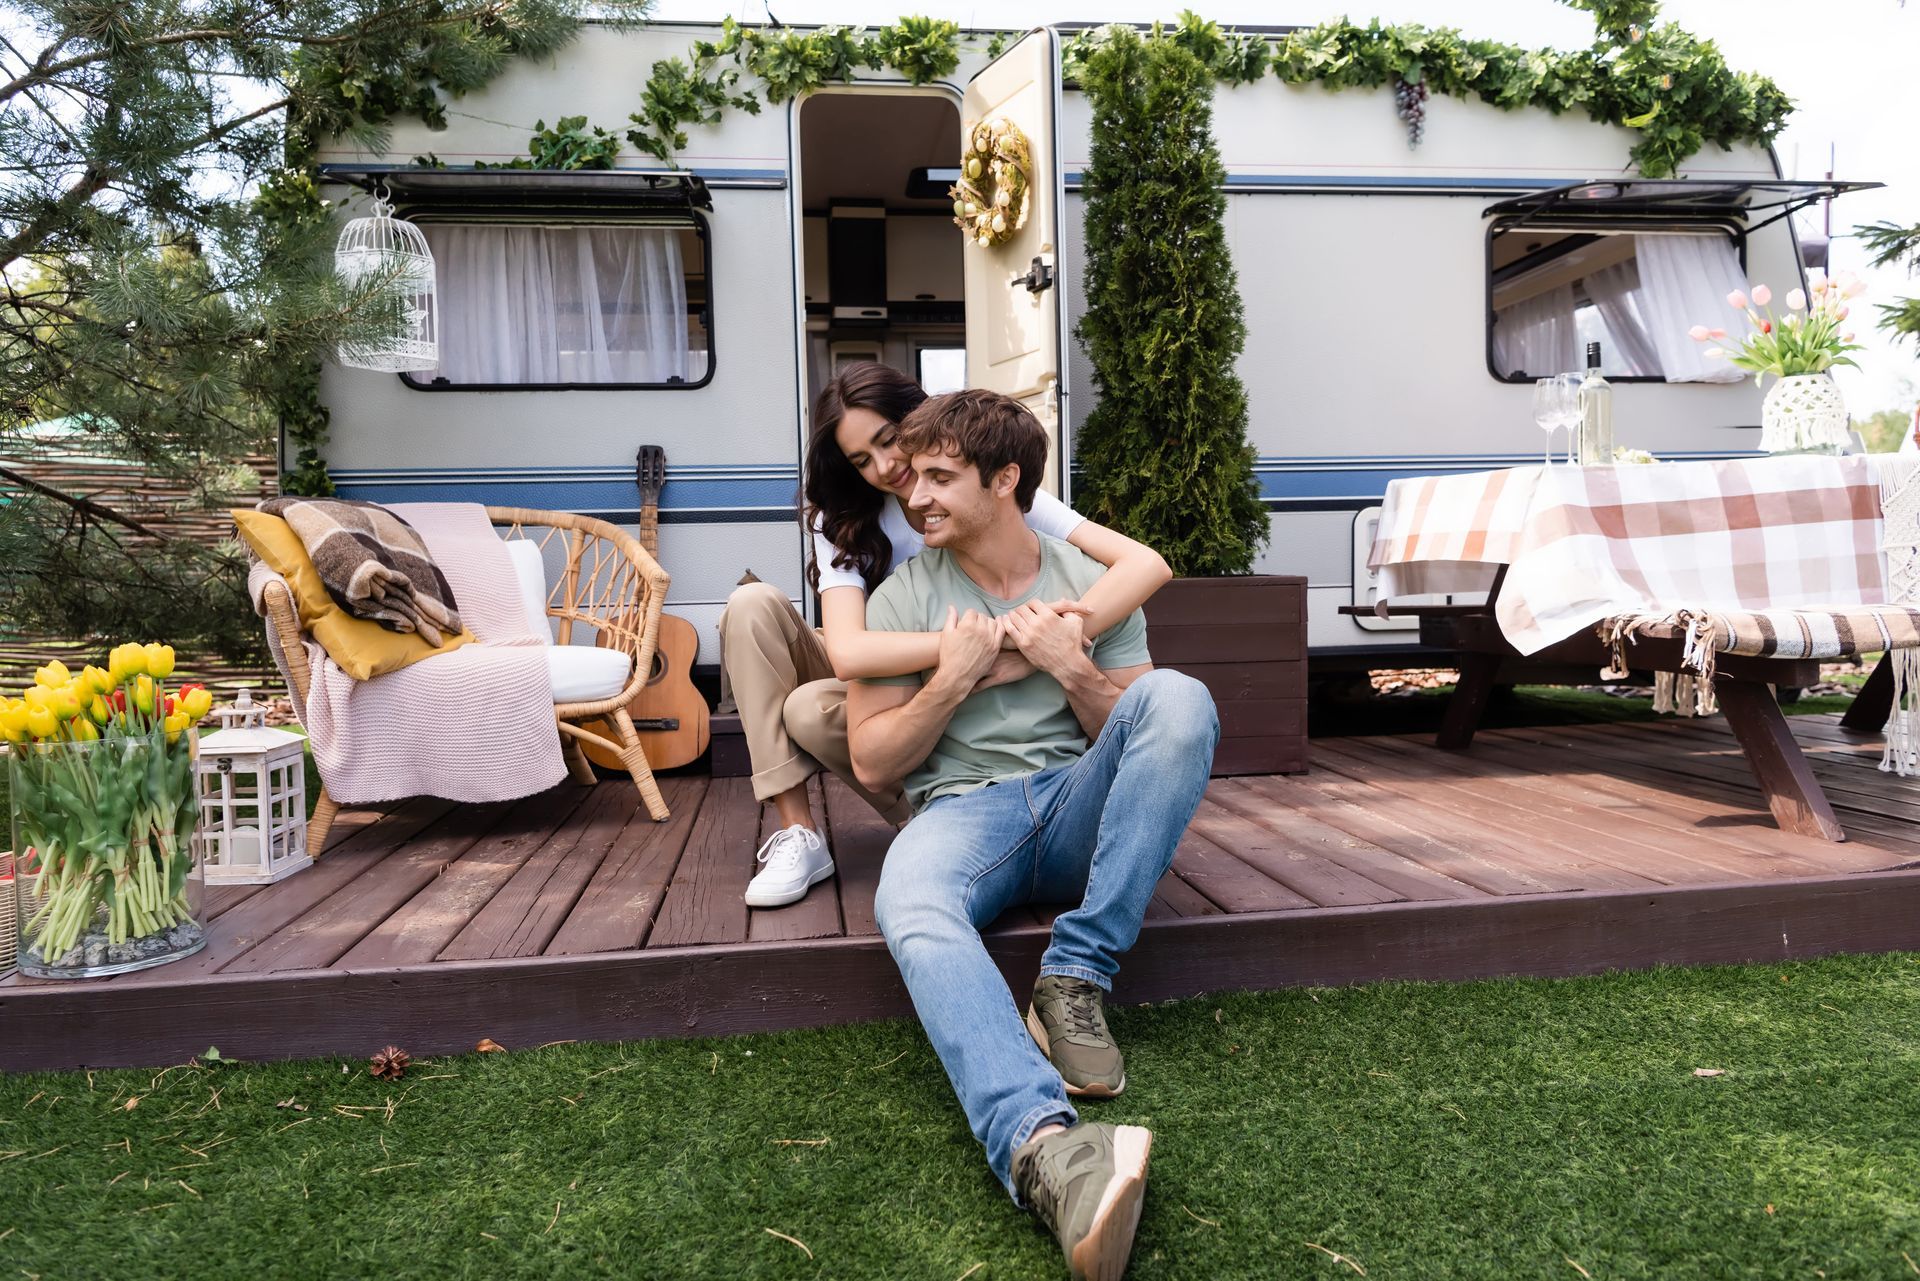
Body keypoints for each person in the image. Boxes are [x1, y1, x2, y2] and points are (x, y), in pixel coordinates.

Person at [846, 389, 1218, 1279]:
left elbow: (1142, 735)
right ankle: (1048, 1149)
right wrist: (949, 679)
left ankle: (1075, 973)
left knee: (1181, 697)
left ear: (1006, 479)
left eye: (941, 476)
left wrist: (1074, 668)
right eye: (914, 477)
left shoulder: (1088, 586)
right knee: (910, 897)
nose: (916, 494)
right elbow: (871, 764)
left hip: (1075, 799)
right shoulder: (902, 598)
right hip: (963, 812)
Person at [719, 362, 1170, 908]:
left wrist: (1045, 642)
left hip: (961, 686)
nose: (886, 467)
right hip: (891, 668)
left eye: (889, 441)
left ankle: (941, 822)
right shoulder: (841, 519)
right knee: (751, 610)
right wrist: (986, 646)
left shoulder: (988, 485)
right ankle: (804, 831)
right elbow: (847, 652)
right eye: (862, 459)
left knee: (812, 709)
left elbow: (1146, 565)